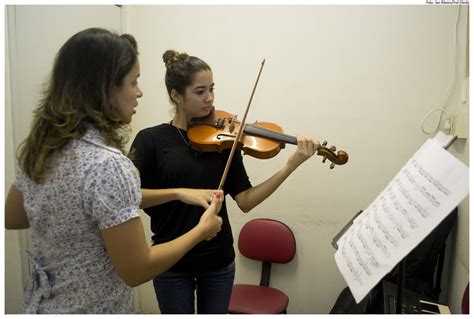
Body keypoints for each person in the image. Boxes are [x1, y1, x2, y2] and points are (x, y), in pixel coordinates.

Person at [5, 29, 223, 314]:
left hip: (41, 306)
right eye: (133, 82)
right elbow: (137, 270)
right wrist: (201, 231)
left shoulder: (41, 149)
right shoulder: (107, 164)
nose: (139, 92)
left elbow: (14, 217)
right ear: (105, 88)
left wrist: (176, 193)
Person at [129, 49, 320, 314]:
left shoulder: (224, 142)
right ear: (176, 95)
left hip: (218, 265)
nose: (210, 99)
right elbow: (130, 196)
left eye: (212, 89)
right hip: (171, 264)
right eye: (199, 91)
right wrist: (178, 192)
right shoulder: (150, 140)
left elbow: (246, 201)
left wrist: (290, 165)